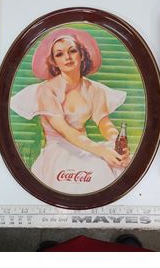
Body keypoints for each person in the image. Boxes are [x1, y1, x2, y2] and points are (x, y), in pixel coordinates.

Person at [10, 27, 131, 194]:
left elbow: (105, 123)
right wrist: (101, 150)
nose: (67, 57)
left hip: (86, 148)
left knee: (116, 164)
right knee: (98, 168)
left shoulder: (94, 89)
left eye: (72, 51)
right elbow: (65, 131)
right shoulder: (47, 91)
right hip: (59, 152)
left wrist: (117, 142)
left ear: (82, 55)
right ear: (54, 61)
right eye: (59, 54)